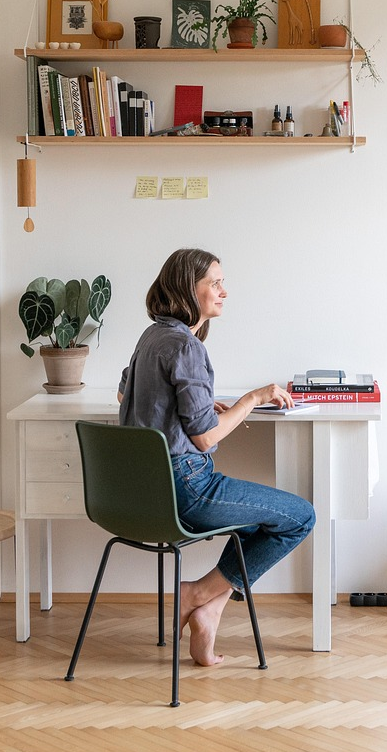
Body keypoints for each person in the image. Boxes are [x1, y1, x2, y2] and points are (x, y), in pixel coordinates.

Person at [118, 248, 316, 667]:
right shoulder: (186, 347)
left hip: (141, 489)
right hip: (187, 488)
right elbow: (205, 440)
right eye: (215, 283)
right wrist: (253, 398)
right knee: (299, 517)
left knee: (255, 520)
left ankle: (209, 609)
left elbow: (126, 395)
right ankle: (197, 595)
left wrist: (204, 405)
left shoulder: (151, 336)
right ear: (188, 289)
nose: (224, 291)